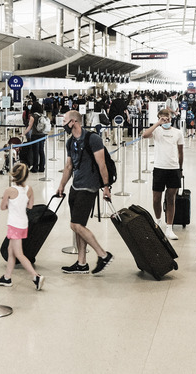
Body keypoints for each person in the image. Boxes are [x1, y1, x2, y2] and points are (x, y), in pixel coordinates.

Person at [56, 110, 114, 275]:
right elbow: (69, 166)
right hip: (75, 185)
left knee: (75, 224)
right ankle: (82, 263)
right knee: (79, 226)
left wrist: (106, 187)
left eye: (65, 120)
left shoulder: (93, 139)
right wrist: (61, 185)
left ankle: (103, 255)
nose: (63, 123)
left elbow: (102, 164)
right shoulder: (70, 142)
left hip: (89, 186)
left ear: (74, 121)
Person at [0, 164, 45, 291]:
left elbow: (2, 207)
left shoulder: (9, 190)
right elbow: (30, 206)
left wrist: (8, 202)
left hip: (14, 224)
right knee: (10, 250)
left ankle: (36, 277)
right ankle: (7, 277)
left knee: (18, 253)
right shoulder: (29, 189)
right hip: (23, 223)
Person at [142, 109, 184, 240]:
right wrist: (157, 123)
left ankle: (169, 227)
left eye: (168, 118)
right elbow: (144, 135)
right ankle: (158, 221)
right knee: (156, 198)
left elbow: (180, 152)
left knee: (171, 198)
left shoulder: (178, 132)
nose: (166, 120)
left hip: (173, 168)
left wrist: (180, 169)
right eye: (163, 118)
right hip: (159, 168)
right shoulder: (157, 131)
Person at [23, 102, 46, 173]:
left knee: (35, 152)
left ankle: (35, 168)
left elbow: (29, 127)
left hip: (35, 135)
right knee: (41, 151)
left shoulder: (32, 116)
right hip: (42, 135)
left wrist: (23, 133)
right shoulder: (42, 115)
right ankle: (42, 167)